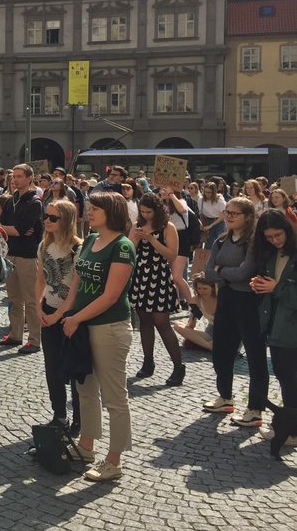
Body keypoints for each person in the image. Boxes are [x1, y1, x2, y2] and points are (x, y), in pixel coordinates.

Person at [61, 191, 136, 482]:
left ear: (111, 211)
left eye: (95, 209)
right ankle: (86, 446)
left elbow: (111, 295)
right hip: (81, 325)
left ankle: (114, 460)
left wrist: (76, 317)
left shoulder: (123, 246)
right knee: (85, 389)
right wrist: (64, 316)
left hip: (109, 327)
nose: (88, 213)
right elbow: (77, 285)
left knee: (115, 396)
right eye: (88, 208)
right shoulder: (91, 240)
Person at [202, 197, 265, 427]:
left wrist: (222, 271)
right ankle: (225, 397)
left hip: (248, 301)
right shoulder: (221, 240)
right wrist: (227, 272)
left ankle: (256, 408)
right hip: (227, 297)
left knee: (254, 354)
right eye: (227, 212)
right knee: (221, 349)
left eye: (234, 213)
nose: (228, 216)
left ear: (247, 217)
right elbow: (209, 271)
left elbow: (245, 273)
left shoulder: (253, 243)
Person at [34, 198, 83, 433]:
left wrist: (58, 316)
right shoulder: (44, 246)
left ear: (66, 220)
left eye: (53, 217)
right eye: (46, 216)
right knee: (51, 367)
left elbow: (75, 288)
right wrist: (39, 307)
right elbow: (40, 279)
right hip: (49, 308)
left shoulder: (78, 248)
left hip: (70, 313)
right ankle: (59, 415)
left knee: (73, 368)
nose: (47, 220)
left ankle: (79, 420)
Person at [250, 210, 297, 446]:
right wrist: (260, 285)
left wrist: (276, 288)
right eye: (269, 237)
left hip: (290, 329)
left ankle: (291, 432)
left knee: (290, 380)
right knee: (285, 377)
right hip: (276, 326)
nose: (275, 240)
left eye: (278, 235)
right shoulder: (270, 254)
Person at [129, 192, 184, 386]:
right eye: (142, 212)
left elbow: (172, 255)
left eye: (149, 212)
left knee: (162, 322)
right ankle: (148, 361)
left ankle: (178, 366)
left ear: (157, 210)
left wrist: (152, 240)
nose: (145, 215)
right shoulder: (136, 225)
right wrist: (135, 238)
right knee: (144, 320)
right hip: (140, 277)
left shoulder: (167, 227)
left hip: (159, 277)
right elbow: (128, 250)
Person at [0, 163, 43, 353]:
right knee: (14, 299)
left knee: (31, 300)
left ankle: (34, 339)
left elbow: (19, 229)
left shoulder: (35, 202)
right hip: (10, 254)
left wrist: (5, 229)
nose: (14, 179)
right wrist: (8, 229)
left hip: (28, 256)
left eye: (18, 176)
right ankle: (16, 334)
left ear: (29, 179)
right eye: (13, 176)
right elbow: (7, 228)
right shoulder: (10, 201)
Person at [173, 276, 217, 351]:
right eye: (199, 288)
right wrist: (194, 312)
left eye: (205, 288)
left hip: (226, 331)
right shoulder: (197, 300)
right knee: (178, 325)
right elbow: (191, 325)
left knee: (189, 341)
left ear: (212, 288)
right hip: (210, 332)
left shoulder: (219, 298)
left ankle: (203, 343)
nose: (201, 291)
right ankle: (209, 346)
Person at [199, 182, 228, 250]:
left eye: (209, 192)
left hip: (218, 221)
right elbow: (201, 213)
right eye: (205, 192)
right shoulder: (201, 200)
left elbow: (223, 215)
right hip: (206, 220)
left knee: (218, 242)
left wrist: (211, 225)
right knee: (208, 244)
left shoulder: (220, 200)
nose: (207, 194)